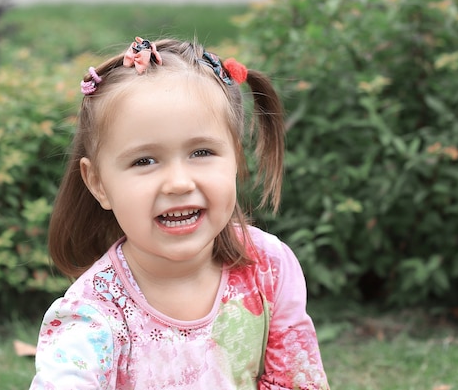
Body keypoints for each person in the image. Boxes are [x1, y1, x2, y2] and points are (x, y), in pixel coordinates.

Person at [29, 36, 330, 390]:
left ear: (235, 156)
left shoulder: (268, 267)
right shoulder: (93, 317)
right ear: (97, 183)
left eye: (201, 152)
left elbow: (296, 381)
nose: (178, 183)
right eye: (144, 160)